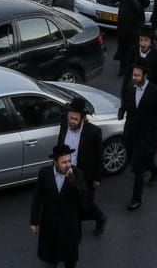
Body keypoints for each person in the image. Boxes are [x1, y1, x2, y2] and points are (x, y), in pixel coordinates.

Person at [118, 62, 157, 210]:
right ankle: (155, 170)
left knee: (138, 168)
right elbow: (126, 102)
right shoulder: (130, 87)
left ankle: (136, 199)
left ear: (145, 76)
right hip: (131, 133)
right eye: (133, 75)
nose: (134, 78)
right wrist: (122, 111)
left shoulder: (156, 92)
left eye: (137, 75)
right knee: (141, 160)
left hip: (147, 136)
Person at [29, 143, 87, 268]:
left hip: (70, 223)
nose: (68, 165)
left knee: (69, 256)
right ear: (55, 162)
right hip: (50, 221)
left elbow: (83, 197)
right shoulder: (44, 173)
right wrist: (34, 221)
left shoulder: (77, 173)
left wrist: (71, 180)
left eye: (69, 161)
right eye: (64, 162)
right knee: (51, 251)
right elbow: (38, 197)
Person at [56, 97, 107, 236]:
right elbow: (60, 146)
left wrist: (97, 178)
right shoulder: (64, 125)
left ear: (82, 118)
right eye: (70, 118)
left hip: (85, 175)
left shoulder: (94, 132)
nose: (71, 121)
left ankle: (100, 217)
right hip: (67, 172)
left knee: (86, 203)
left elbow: (99, 157)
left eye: (75, 119)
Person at [111, 0, 150, 76]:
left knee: (133, 46)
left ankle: (132, 67)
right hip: (123, 23)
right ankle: (122, 67)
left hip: (136, 24)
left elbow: (145, 4)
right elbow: (113, 0)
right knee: (123, 45)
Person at [126, 24, 157, 89]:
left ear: (151, 41)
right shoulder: (133, 51)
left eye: (146, 40)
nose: (142, 44)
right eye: (141, 40)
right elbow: (128, 73)